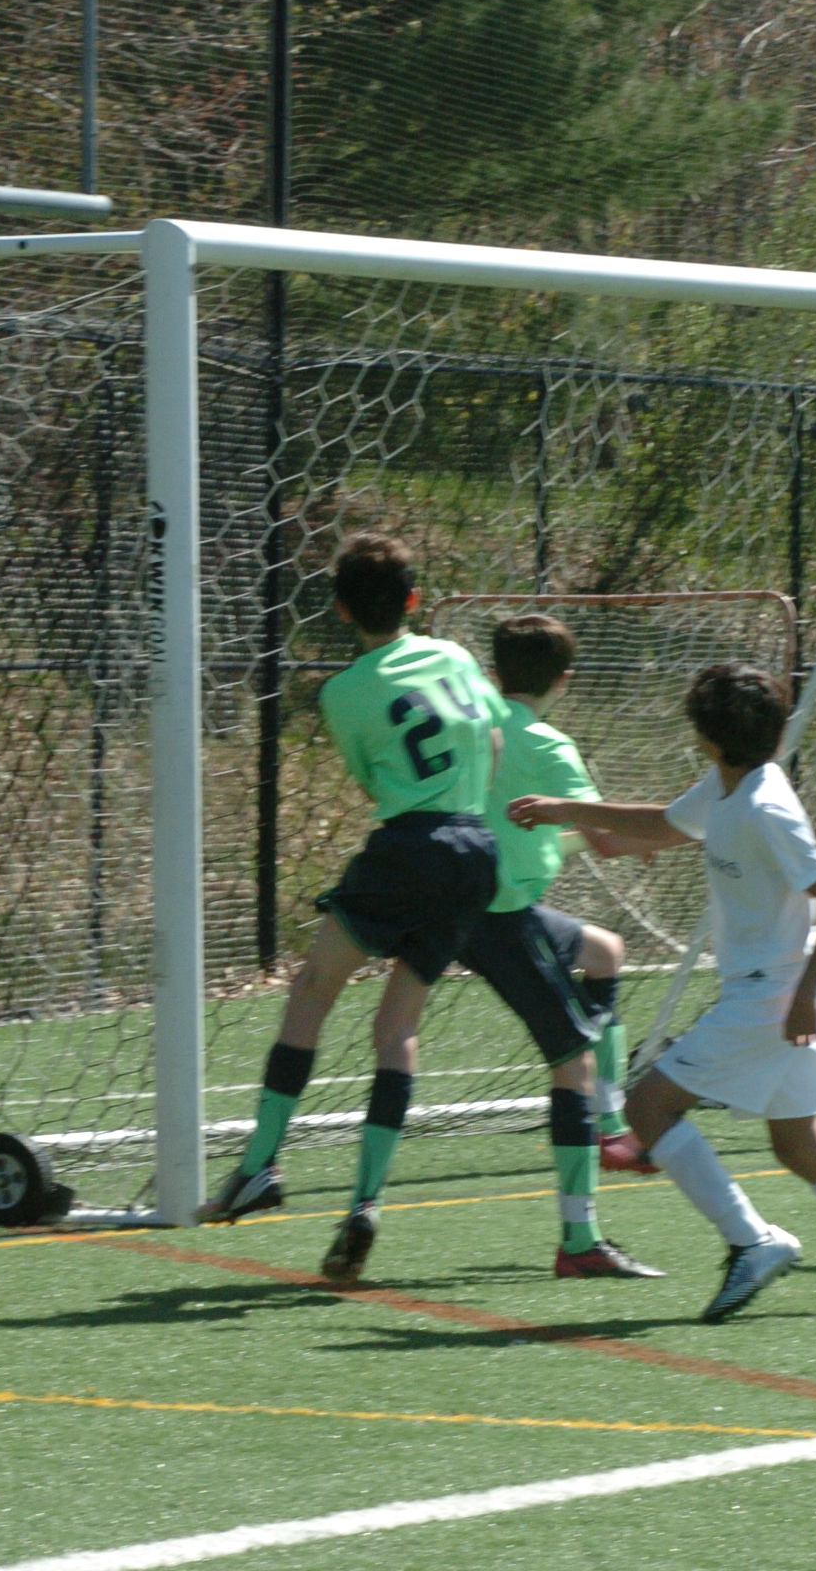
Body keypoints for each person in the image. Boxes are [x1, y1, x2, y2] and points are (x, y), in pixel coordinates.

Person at [510, 664, 816, 1321]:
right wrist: (567, 811)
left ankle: (752, 1240)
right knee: (800, 1145)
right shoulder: (730, 785)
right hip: (778, 995)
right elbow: (665, 825)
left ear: (708, 737)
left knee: (648, 1107)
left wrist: (805, 993)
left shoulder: (765, 807)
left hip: (771, 1000)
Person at [196, 534, 503, 1283]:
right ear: (415, 600)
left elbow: (374, 784)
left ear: (338, 609)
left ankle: (260, 1165)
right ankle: (365, 1203)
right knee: (396, 1031)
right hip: (476, 849)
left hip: (411, 844)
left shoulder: (343, 693)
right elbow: (493, 739)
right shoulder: (456, 656)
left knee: (312, 989)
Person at [457, 614, 663, 1278]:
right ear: (564, 681)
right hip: (500, 917)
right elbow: (608, 838)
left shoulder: (475, 717)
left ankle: (610, 1124)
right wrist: (686, 832)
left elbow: (540, 832)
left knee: (604, 951)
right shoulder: (548, 744)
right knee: (572, 1064)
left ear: (496, 673)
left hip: (453, 901)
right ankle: (581, 1240)